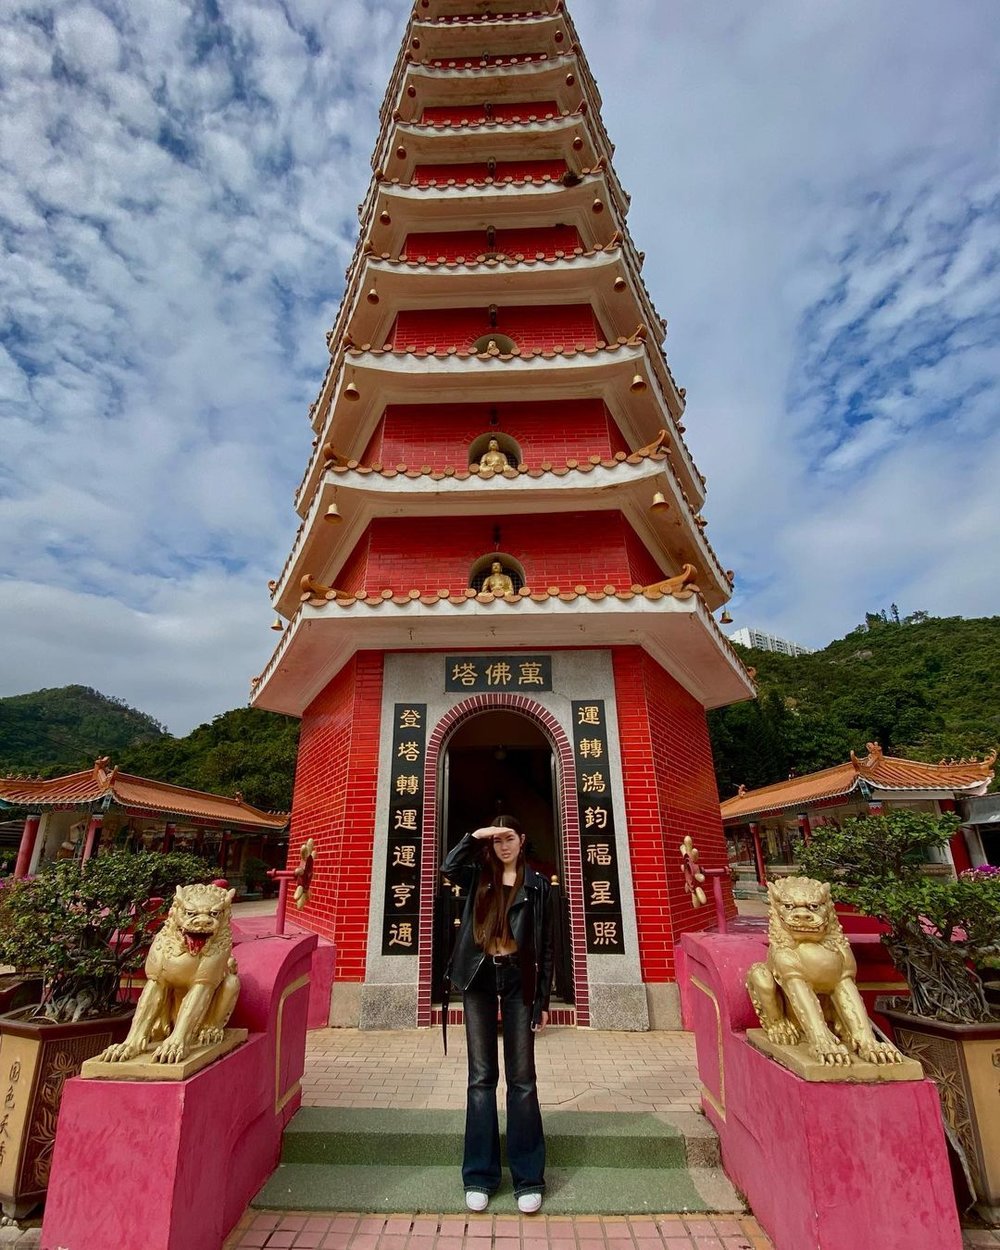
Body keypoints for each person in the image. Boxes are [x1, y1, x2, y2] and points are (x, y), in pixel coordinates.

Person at [441, 816, 553, 1214]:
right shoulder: (478, 875)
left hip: (519, 979)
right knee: (481, 1078)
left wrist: (542, 1001)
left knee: (522, 1079)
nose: (504, 846)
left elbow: (546, 947)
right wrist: (474, 837)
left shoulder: (538, 885)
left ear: (522, 840)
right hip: (479, 976)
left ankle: (528, 1177)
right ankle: (479, 1175)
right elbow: (448, 867)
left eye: (509, 838)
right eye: (497, 840)